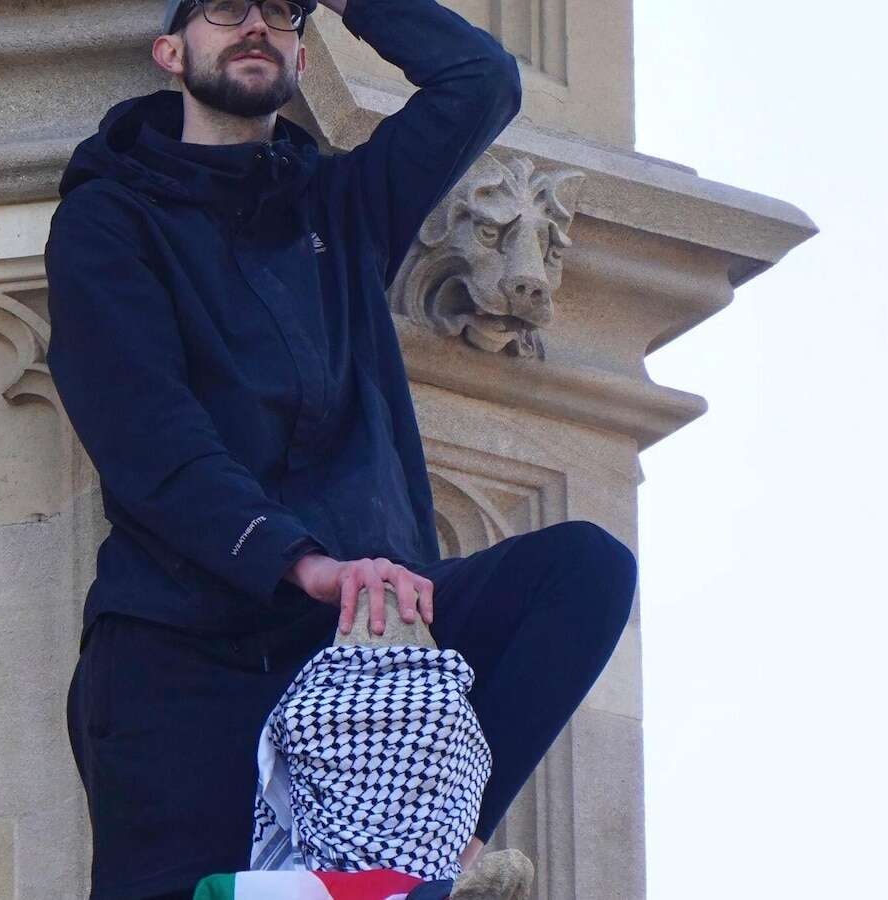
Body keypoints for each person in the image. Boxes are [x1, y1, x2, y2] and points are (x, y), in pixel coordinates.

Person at [42, 0, 639, 895]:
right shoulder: (108, 220)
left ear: (301, 54)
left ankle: (426, 843)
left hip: (363, 646)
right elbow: (148, 437)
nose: (254, 25)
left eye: (278, 12)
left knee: (583, 571)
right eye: (224, 10)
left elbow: (480, 82)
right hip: (184, 653)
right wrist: (303, 562)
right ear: (169, 51)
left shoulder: (340, 205)